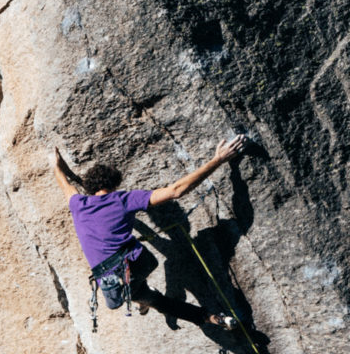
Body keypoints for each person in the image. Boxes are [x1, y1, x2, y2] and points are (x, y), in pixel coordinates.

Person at [51, 136, 247, 329]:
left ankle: (146, 298)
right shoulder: (124, 199)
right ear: (115, 184)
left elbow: (62, 179)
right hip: (138, 264)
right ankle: (211, 318)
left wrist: (56, 163)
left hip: (120, 272)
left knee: (120, 300)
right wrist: (218, 159)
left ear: (90, 188)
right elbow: (176, 190)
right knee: (149, 298)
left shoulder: (77, 204)